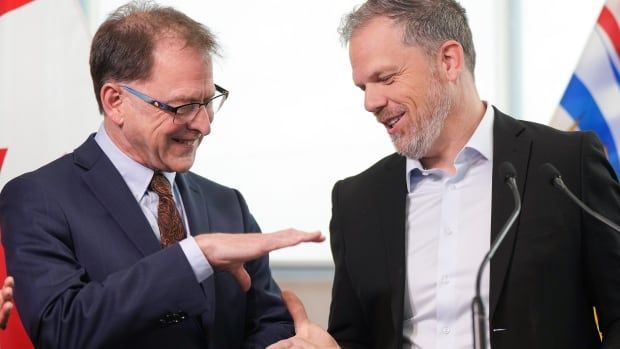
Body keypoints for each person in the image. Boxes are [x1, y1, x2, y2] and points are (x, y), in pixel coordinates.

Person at [270, 0, 620, 348]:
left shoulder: (564, 165)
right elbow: (354, 337)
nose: (371, 102)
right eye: (364, 87)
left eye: (385, 78)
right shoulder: (355, 201)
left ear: (448, 61)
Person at [0, 2, 324, 348]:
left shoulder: (228, 204)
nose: (204, 124)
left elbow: (266, 321)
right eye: (182, 106)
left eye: (208, 100)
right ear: (114, 102)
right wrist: (196, 256)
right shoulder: (39, 198)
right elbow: (62, 330)